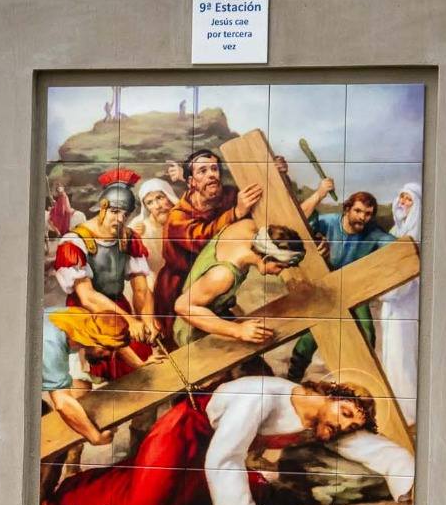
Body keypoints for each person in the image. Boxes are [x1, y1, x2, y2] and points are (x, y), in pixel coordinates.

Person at [39, 375, 406, 505]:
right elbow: (225, 454)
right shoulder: (262, 396)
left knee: (176, 503)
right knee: (143, 503)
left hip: (210, 450)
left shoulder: (322, 421)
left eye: (350, 424)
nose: (344, 426)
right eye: (345, 414)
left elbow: (367, 447)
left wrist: (411, 480)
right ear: (329, 395)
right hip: (184, 435)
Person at [50, 169, 156, 378]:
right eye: (115, 212)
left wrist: (148, 319)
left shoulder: (128, 238)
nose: (120, 219)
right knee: (103, 367)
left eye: (125, 214)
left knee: (144, 357)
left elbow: (141, 290)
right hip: (89, 314)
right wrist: (130, 321)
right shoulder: (74, 242)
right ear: (102, 208)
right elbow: (88, 297)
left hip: (119, 308)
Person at [153, 148, 264, 342]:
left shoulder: (229, 196)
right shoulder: (178, 217)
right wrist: (236, 213)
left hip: (214, 283)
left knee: (236, 342)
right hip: (181, 289)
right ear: (191, 182)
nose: (211, 175)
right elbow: (201, 240)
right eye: (202, 171)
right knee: (191, 347)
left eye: (214, 169)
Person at [286, 189, 397, 380]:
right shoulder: (329, 222)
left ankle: (362, 378)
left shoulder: (373, 233)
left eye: (368, 213)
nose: (362, 217)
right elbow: (299, 225)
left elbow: (395, 247)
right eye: (358, 211)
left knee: (367, 333)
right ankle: (293, 376)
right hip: (327, 289)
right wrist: (319, 195)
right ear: (347, 209)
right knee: (313, 334)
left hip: (355, 290)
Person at [172, 221, 308, 348]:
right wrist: (237, 330)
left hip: (218, 313)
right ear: (266, 258)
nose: (278, 273)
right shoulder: (223, 275)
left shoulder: (247, 226)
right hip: (195, 330)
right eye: (279, 266)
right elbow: (182, 306)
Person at [40, 308, 132, 446]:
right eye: (107, 348)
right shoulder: (51, 345)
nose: (110, 355)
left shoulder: (82, 320)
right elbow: (62, 402)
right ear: (91, 339)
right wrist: (95, 437)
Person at [378, 183, 421, 419]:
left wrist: (385, 292)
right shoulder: (396, 231)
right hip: (391, 305)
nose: (402, 202)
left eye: (409, 199)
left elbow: (408, 277)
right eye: (401, 197)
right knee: (392, 358)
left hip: (405, 307)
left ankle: (408, 415)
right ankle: (395, 411)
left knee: (402, 359)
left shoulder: (416, 234)